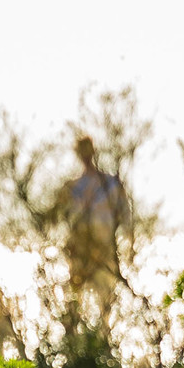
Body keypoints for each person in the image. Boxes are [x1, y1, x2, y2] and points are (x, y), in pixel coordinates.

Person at [60, 134, 129, 336]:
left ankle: (103, 342)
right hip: (81, 251)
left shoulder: (111, 184)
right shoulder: (73, 186)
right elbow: (65, 218)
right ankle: (76, 344)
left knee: (105, 300)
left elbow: (124, 217)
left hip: (104, 249)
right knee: (75, 300)